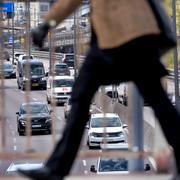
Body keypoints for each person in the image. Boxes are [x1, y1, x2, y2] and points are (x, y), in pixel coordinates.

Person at [18, 0, 180, 180]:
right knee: (161, 105)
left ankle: (56, 169)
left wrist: (46, 24)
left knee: (80, 99)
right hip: (138, 35)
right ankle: (55, 169)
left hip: (115, 38)